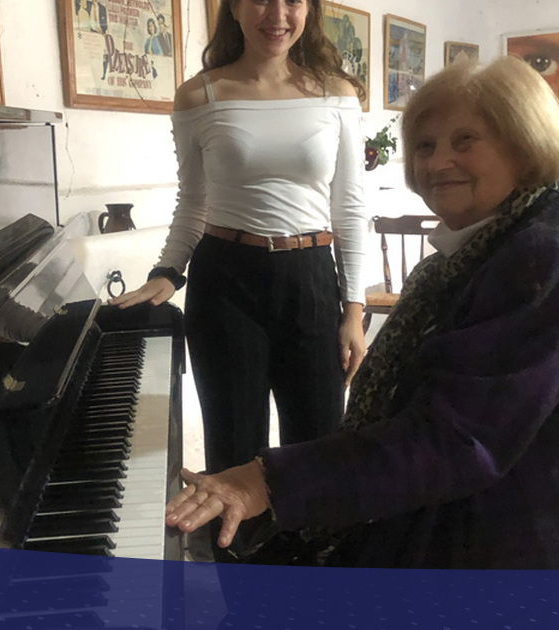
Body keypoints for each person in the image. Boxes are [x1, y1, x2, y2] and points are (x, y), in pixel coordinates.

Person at [164, 56, 559, 570]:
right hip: (492, 523)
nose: (437, 162)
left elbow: (458, 441)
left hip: (556, 562)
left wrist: (264, 481)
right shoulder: (500, 242)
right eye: (425, 146)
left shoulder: (551, 253)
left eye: (465, 141)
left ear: (524, 144)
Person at [111, 0, 369, 481]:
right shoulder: (199, 95)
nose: (277, 15)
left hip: (312, 280)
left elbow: (350, 208)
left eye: (292, 1)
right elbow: (193, 202)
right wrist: (167, 272)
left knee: (318, 451)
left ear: (309, 10)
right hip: (226, 284)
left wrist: (354, 311)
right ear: (233, 7)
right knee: (232, 454)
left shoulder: (336, 94)